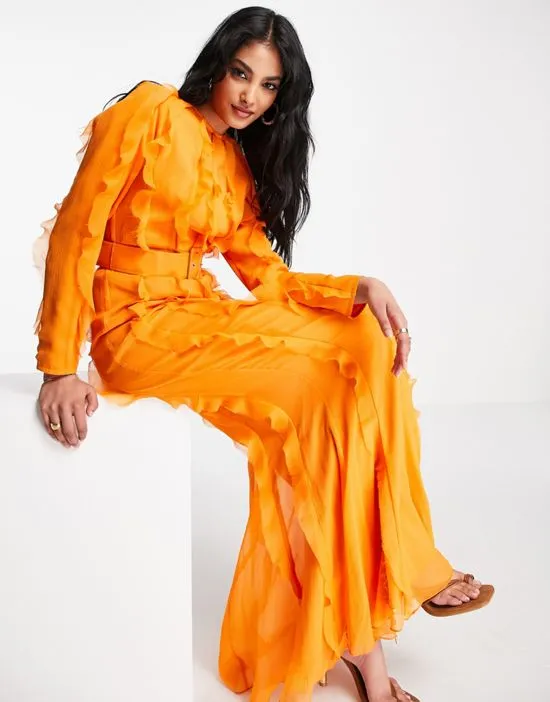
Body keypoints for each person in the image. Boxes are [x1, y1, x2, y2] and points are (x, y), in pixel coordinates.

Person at [33, 7, 494, 702]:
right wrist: (59, 366)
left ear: (282, 97)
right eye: (241, 74)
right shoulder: (149, 112)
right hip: (135, 330)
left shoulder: (232, 166)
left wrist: (356, 288)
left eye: (269, 85)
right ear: (217, 67)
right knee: (323, 386)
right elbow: (76, 229)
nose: (249, 95)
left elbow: (267, 280)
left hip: (197, 314)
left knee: (362, 344)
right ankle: (392, 595)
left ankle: (365, 628)